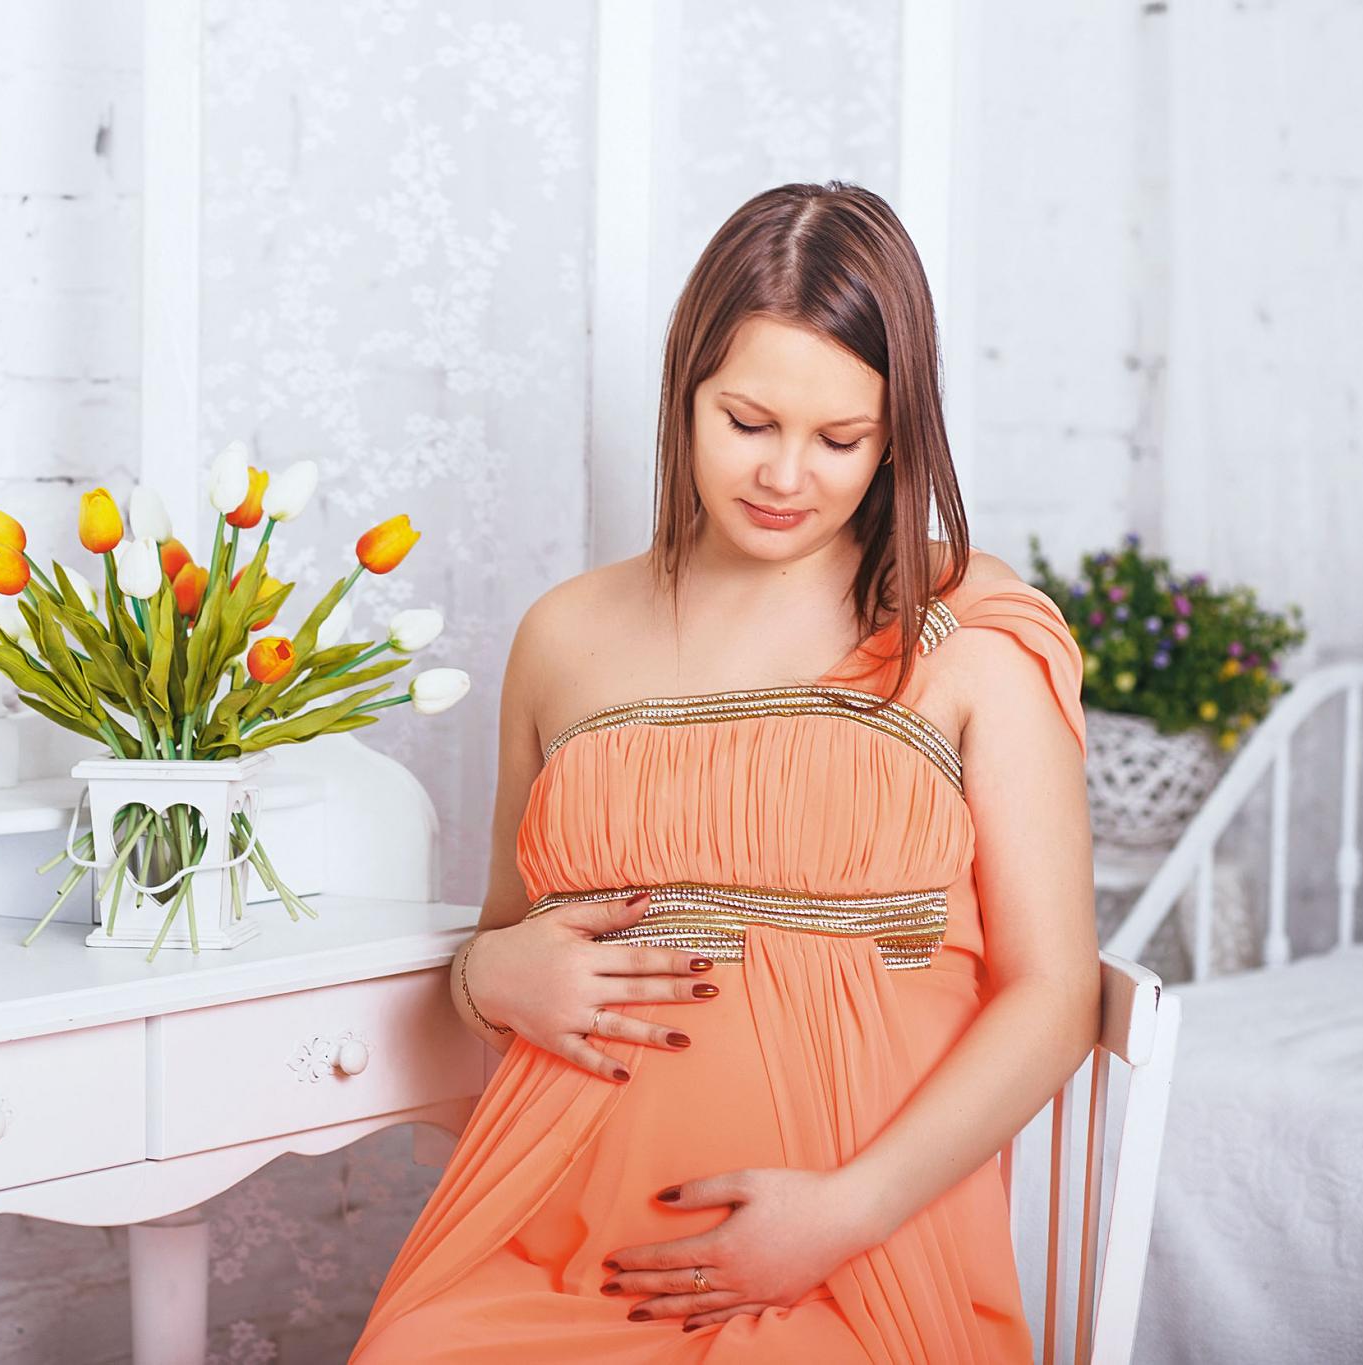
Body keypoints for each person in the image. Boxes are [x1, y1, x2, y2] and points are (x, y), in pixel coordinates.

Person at [348, 182, 1099, 1362]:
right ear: (683, 396)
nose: (785, 476)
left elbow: (1052, 995)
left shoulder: (968, 635)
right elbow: (501, 939)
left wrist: (842, 1215)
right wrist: (487, 975)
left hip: (854, 1258)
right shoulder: (564, 636)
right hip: (548, 1235)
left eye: (839, 440)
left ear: (894, 435)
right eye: (747, 422)